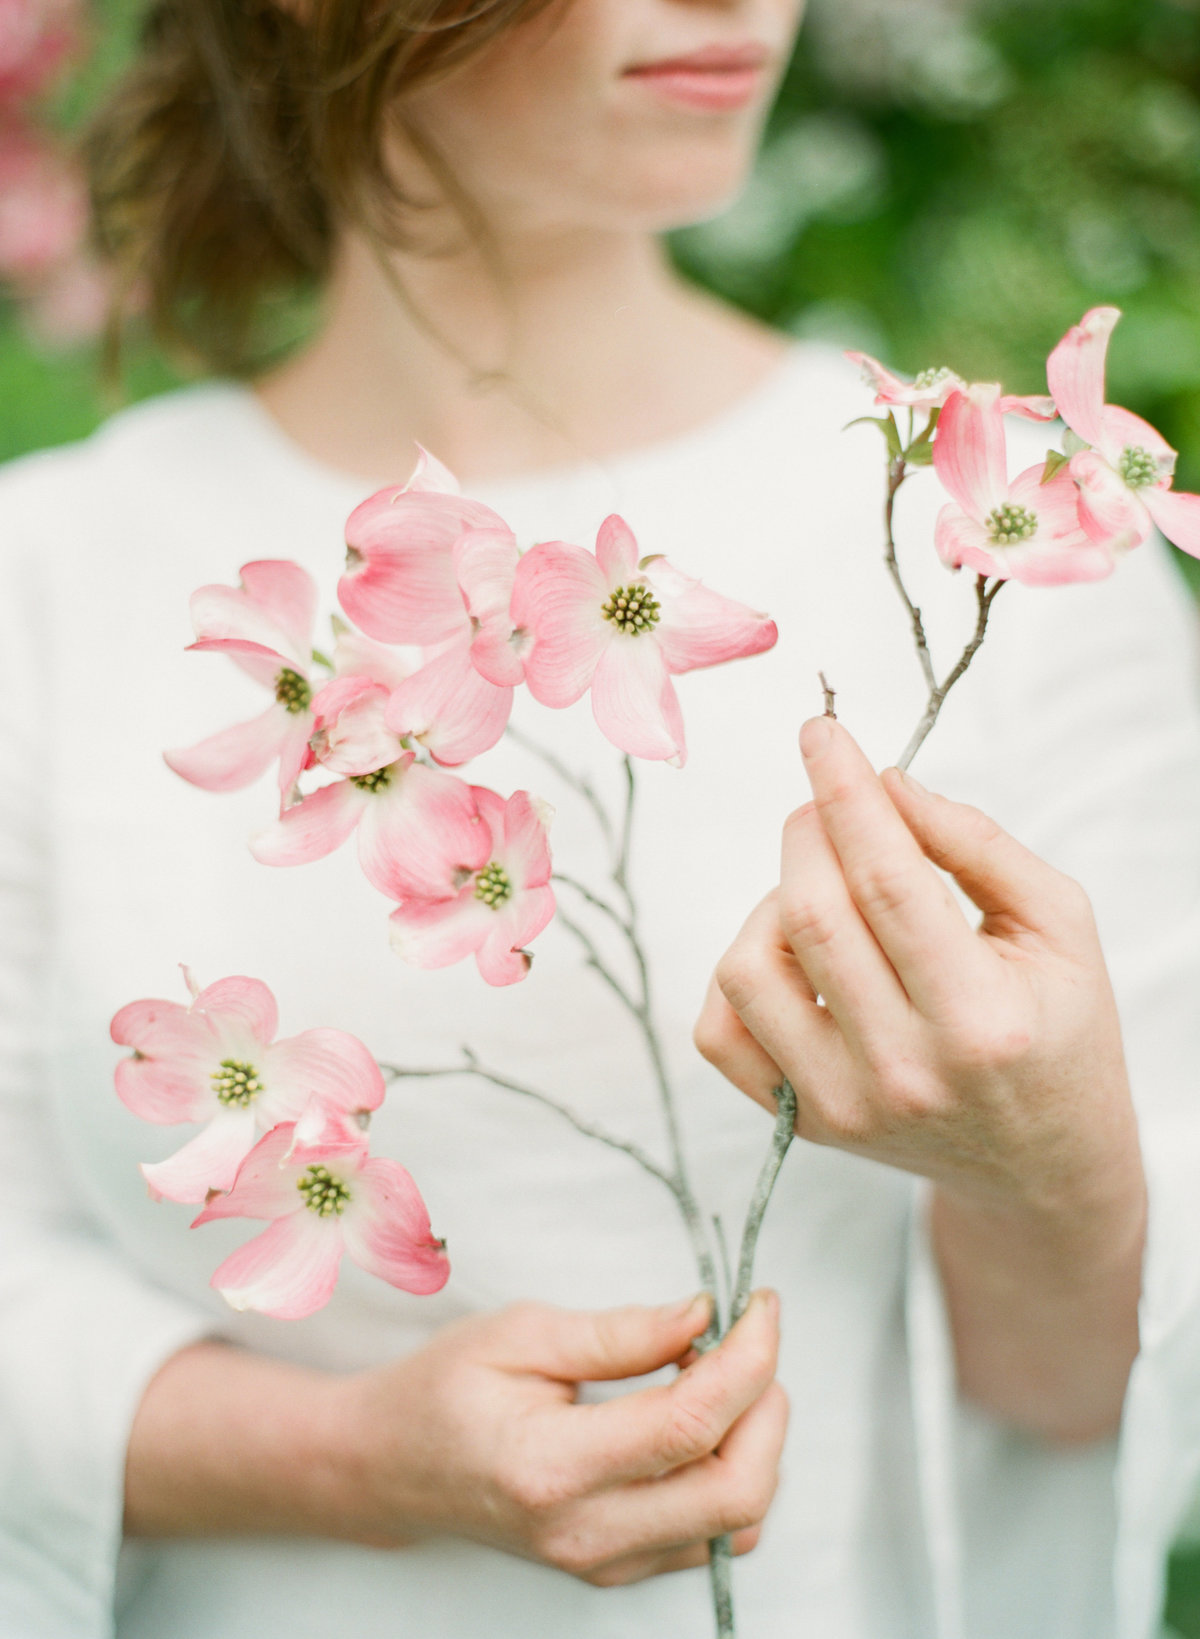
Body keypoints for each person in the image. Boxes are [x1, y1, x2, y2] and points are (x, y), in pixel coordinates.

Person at [0, 2, 1198, 1637]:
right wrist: (355, 1460)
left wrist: (1040, 1162)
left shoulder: (1003, 540)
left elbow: (1092, 1413)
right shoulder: (54, 578)